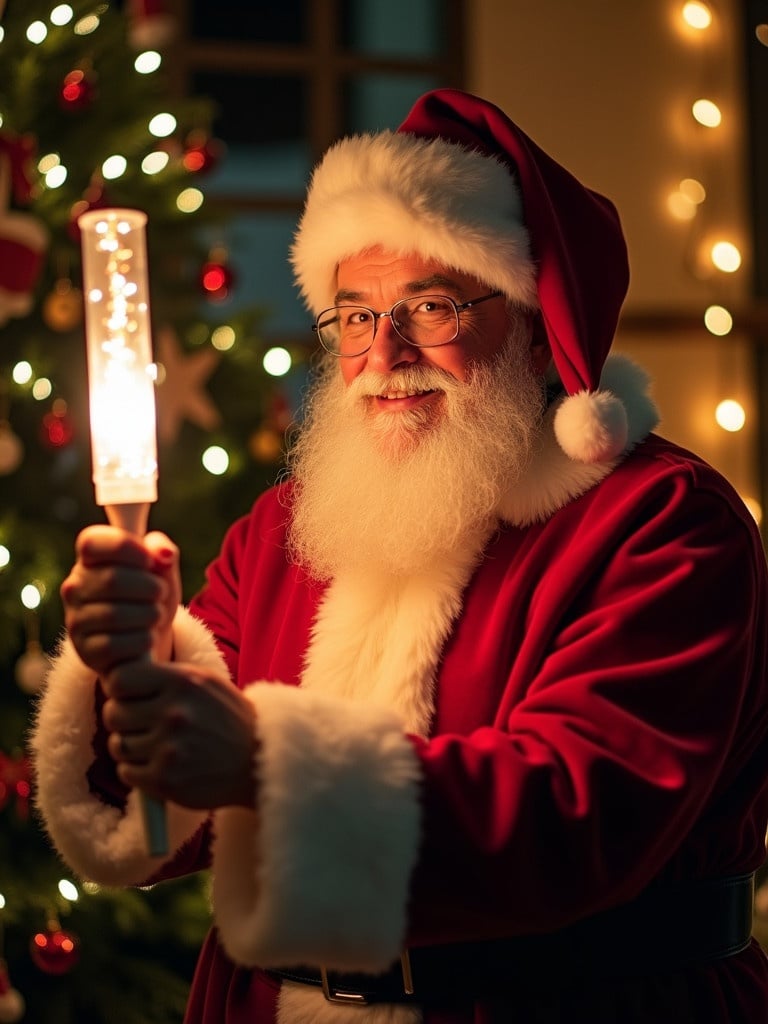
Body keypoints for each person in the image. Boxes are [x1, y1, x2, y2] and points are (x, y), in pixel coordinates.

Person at [31, 89, 768, 1024]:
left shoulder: (662, 523)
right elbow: (162, 817)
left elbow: (579, 817)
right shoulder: (286, 527)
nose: (384, 353)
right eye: (353, 315)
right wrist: (129, 665)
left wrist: (263, 762)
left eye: (432, 306)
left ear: (536, 322)